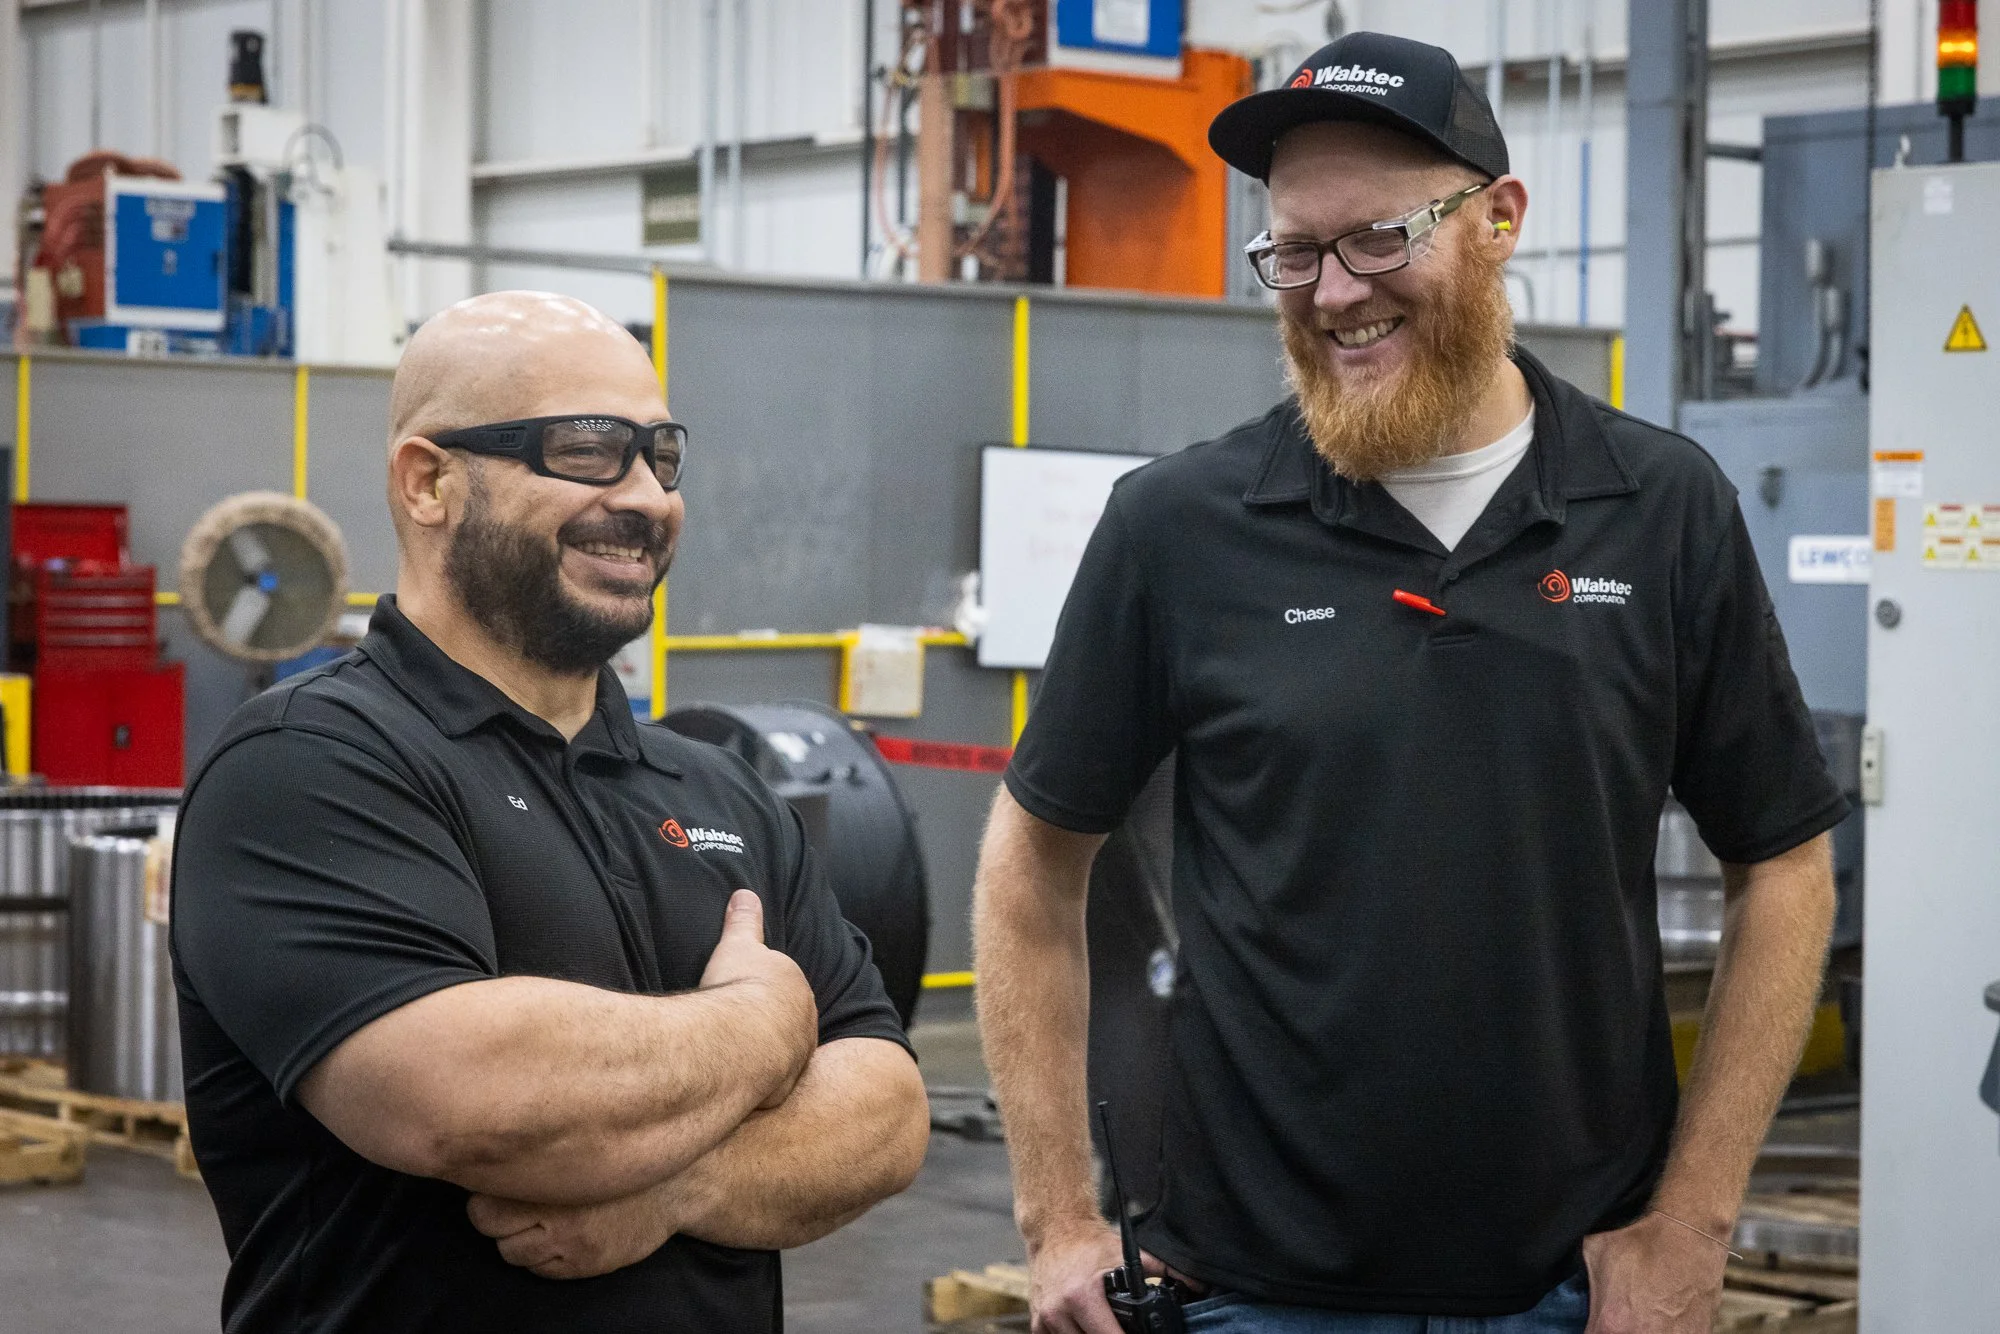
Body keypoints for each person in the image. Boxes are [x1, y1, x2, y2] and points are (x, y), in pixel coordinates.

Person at [973, 31, 1845, 1334]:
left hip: (1571, 1294)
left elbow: (1781, 860)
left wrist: (1693, 1224)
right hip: (1249, 1299)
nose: (1331, 292)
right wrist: (1057, 1220)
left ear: (1498, 222)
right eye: (1295, 250)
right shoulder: (1179, 528)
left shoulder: (1659, 511)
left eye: (1378, 238)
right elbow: (1029, 865)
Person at [171, 291, 929, 1333]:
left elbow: (885, 1107)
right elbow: (466, 1097)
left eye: (660, 455)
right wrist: (762, 1023)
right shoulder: (306, 764)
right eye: (585, 451)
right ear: (428, 481)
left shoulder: (716, 788)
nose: (646, 498)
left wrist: (673, 1191)